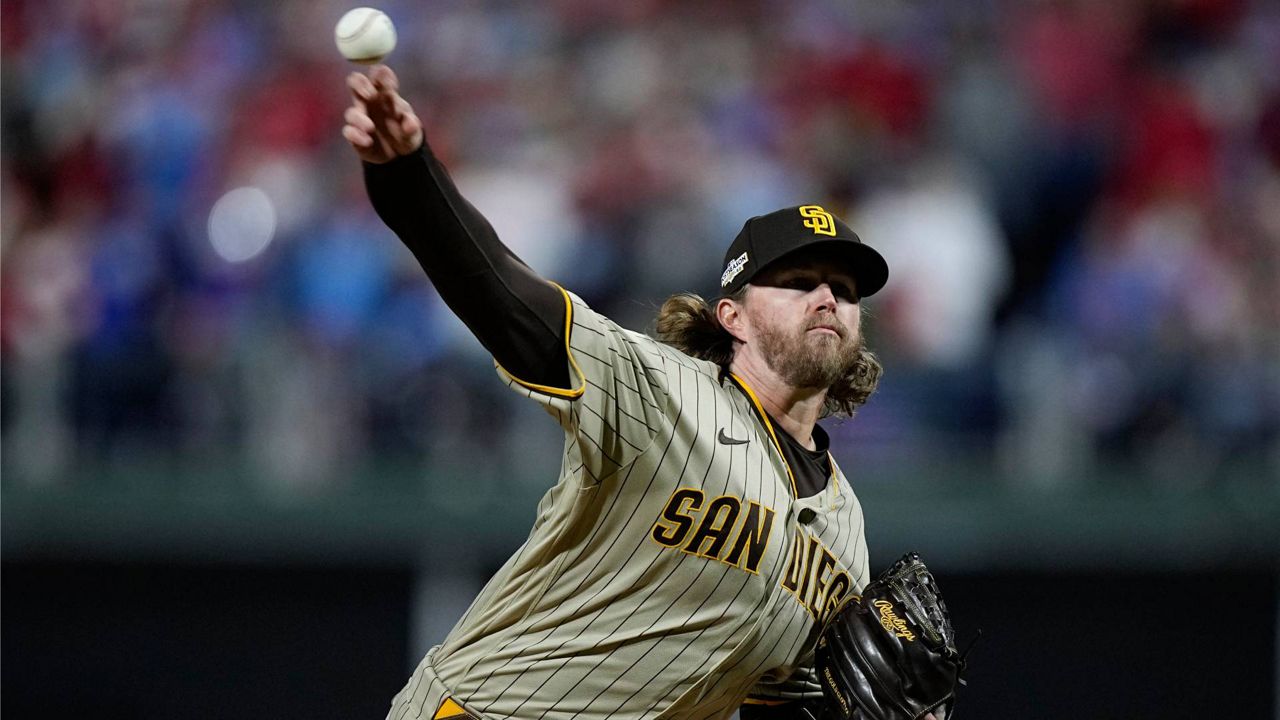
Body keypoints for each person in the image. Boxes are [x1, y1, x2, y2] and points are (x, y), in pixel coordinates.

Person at [344, 65, 934, 720]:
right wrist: (408, 174)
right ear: (731, 317)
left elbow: (775, 702)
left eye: (846, 290)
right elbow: (502, 294)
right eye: (799, 280)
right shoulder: (660, 389)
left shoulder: (845, 529)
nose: (828, 297)